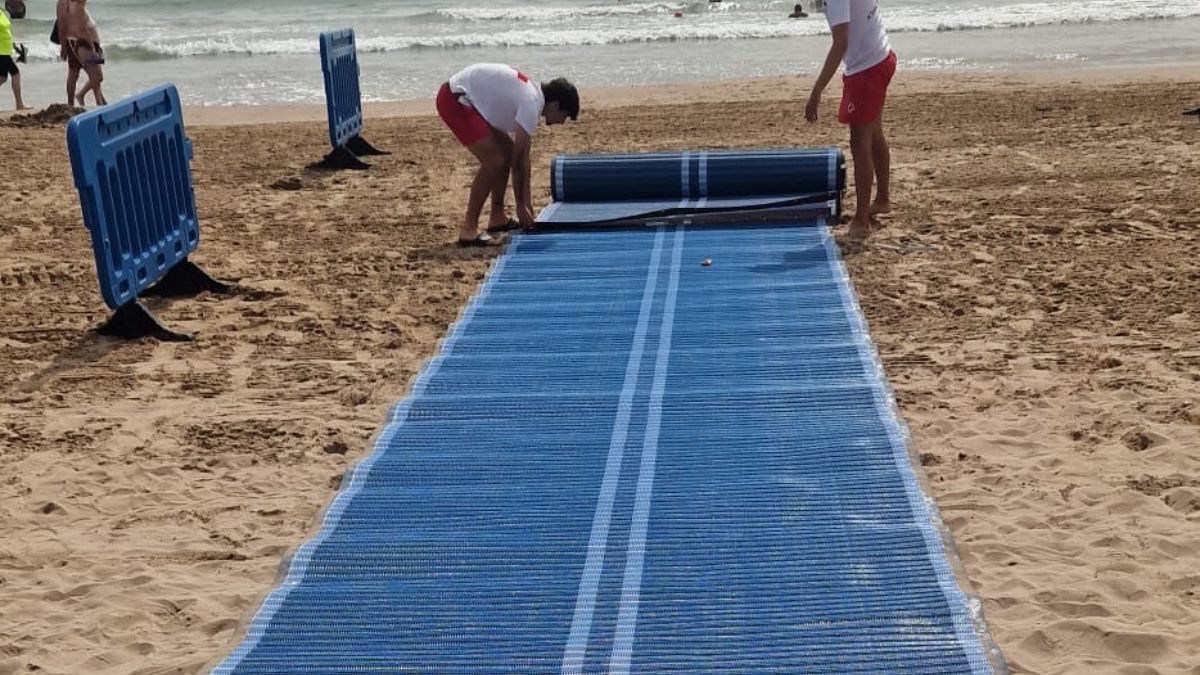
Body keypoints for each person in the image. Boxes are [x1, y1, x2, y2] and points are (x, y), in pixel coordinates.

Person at [435, 63, 579, 247]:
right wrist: (520, 205)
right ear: (556, 105)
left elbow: (523, 158)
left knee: (506, 153)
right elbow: (518, 162)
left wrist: (527, 207)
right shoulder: (531, 103)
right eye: (565, 116)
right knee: (494, 161)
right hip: (454, 98)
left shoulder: (533, 97)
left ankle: (497, 217)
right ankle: (468, 230)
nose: (562, 122)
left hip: (468, 99)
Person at [805, 0, 895, 239]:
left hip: (867, 67)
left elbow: (840, 42)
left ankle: (861, 221)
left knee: (859, 141)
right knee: (874, 133)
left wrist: (817, 91)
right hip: (880, 55)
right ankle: (882, 199)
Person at [63, 0, 105, 107]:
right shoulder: (78, 8)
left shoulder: (79, 7)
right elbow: (83, 31)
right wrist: (92, 47)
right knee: (98, 76)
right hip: (86, 46)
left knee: (95, 73)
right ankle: (81, 95)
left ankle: (100, 102)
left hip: (89, 46)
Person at [0, 1, 29, 110]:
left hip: (5, 50)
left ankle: (19, 104)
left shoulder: (2, 13)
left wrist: (16, 48)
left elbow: (6, 32)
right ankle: (19, 104)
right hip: (1, 52)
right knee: (10, 75)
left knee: (7, 76)